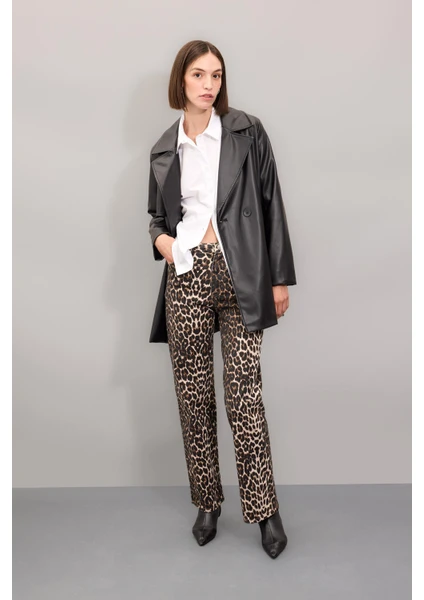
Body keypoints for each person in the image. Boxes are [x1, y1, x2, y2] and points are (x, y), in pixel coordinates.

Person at [147, 40, 297, 559]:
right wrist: (167, 246)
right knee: (193, 398)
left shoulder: (246, 131)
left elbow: (271, 201)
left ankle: (264, 509)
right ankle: (207, 502)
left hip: (241, 272)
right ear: (181, 81)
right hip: (187, 274)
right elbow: (157, 220)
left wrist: (279, 278)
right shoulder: (164, 148)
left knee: (243, 396)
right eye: (198, 75)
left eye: (216, 75)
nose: (208, 84)